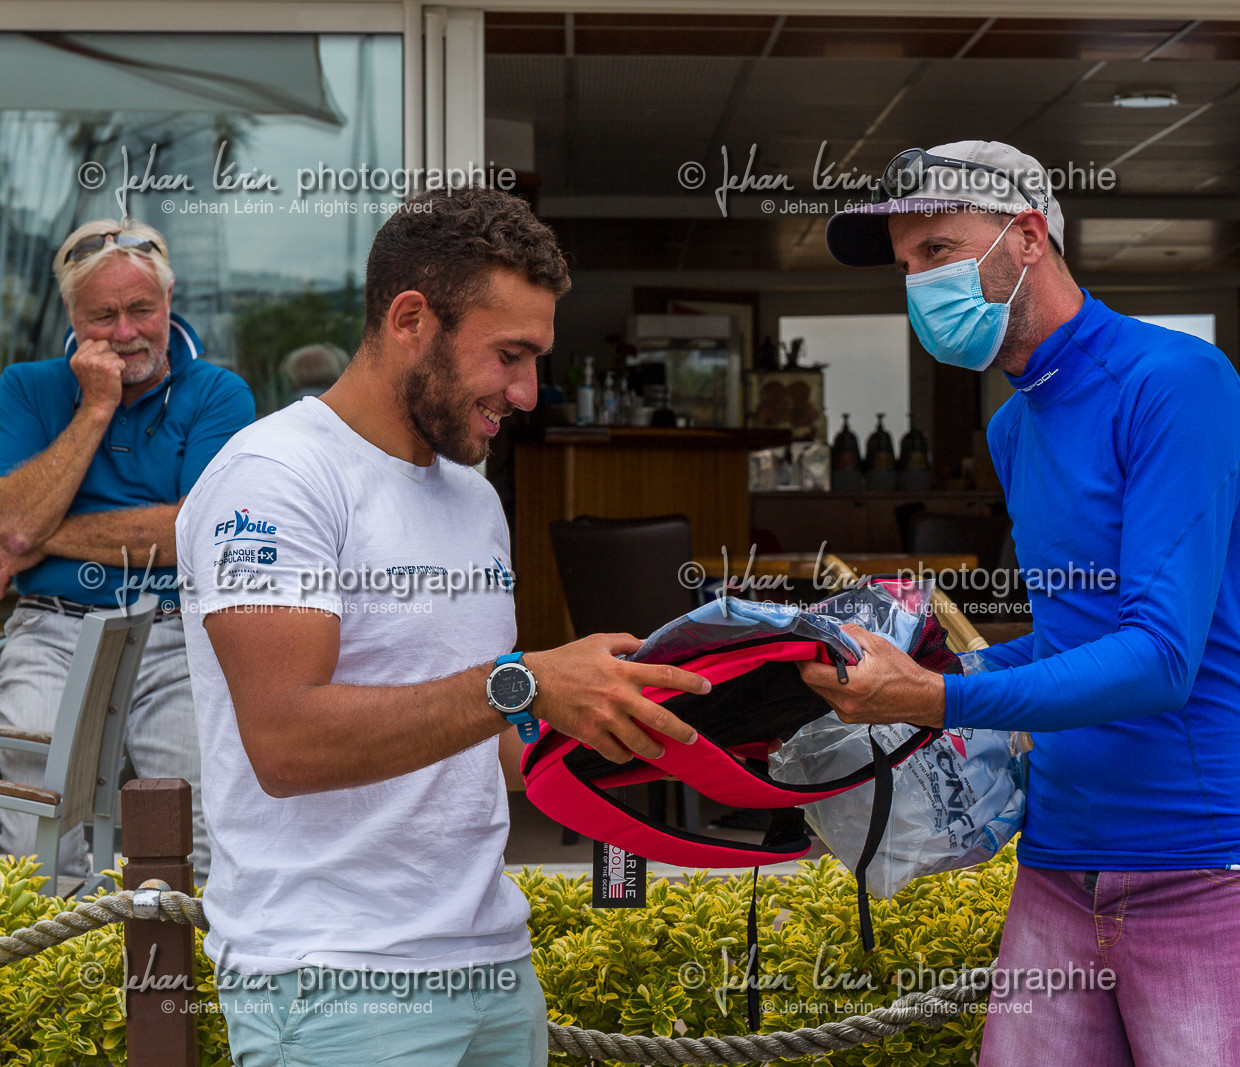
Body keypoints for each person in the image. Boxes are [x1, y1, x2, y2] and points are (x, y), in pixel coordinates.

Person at [801, 141, 1240, 1066]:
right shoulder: (1014, 422)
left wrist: (932, 698)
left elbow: (1158, 657)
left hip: (1205, 859)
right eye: (908, 264)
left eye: (938, 252)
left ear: (1027, 237)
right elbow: (1077, 635)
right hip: (1060, 851)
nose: (919, 285)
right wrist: (943, 669)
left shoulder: (1176, 385)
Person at [176, 186, 709, 1066]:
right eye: (510, 355)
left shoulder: (471, 493)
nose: (529, 393)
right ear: (411, 319)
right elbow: (285, 742)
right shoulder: (275, 477)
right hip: (336, 982)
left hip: (493, 964)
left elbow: (492, 741)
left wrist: (634, 718)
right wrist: (530, 681)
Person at [0, 217, 254, 882]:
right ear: (71, 313)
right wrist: (95, 408)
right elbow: (13, 529)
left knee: (193, 826)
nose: (124, 332)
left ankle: (170, 978)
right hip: (49, 626)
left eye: (142, 309)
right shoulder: (27, 387)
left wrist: (40, 534)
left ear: (170, 302)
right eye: (102, 315)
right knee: (31, 834)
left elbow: (193, 535)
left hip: (176, 631)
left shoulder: (218, 393)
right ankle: (62, 978)